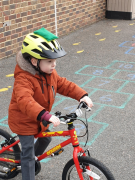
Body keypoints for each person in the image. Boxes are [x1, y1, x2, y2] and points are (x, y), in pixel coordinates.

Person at [8, 28, 93, 180]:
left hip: (40, 118)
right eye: (49, 61)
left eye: (55, 61)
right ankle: (28, 164)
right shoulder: (23, 78)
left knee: (46, 139)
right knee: (27, 153)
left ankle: (34, 157)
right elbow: (24, 100)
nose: (54, 65)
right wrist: (45, 115)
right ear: (34, 61)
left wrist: (82, 95)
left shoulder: (48, 72)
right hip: (24, 120)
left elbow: (62, 84)